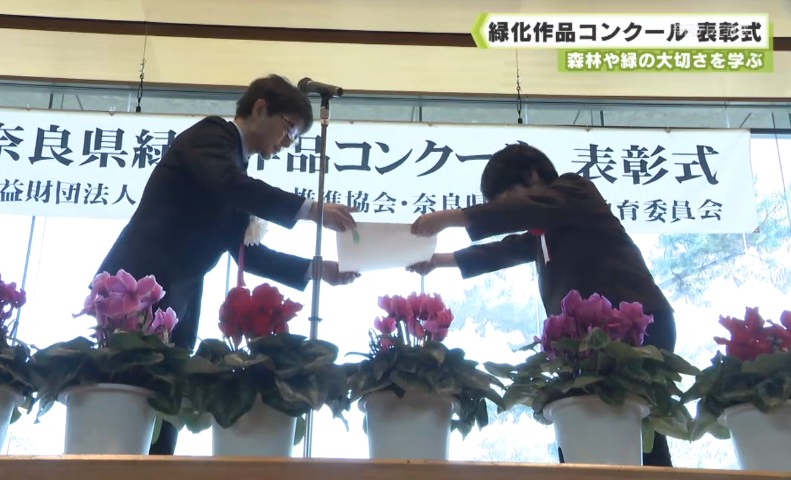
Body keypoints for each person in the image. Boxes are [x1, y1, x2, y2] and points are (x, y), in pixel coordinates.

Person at [93, 74, 360, 455]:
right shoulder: (211, 137)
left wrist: (320, 270)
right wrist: (310, 210)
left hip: (181, 296)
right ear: (260, 108)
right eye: (289, 129)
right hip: (136, 287)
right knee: (126, 403)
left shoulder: (236, 170)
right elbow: (228, 185)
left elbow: (245, 252)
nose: (288, 143)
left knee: (168, 407)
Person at [407, 143, 676, 467]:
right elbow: (504, 250)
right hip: (593, 342)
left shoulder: (575, 190)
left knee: (638, 423)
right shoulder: (544, 232)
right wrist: (437, 260)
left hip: (638, 325)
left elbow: (521, 211)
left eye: (507, 199)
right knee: (594, 425)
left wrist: (451, 218)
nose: (508, 209)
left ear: (533, 175)